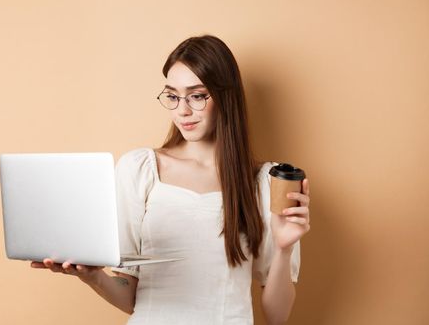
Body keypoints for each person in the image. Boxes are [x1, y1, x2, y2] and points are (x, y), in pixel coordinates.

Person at [30, 34, 311, 324]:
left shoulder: (264, 182)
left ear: (226, 96)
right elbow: (129, 296)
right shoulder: (140, 169)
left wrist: (283, 247)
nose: (183, 110)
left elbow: (277, 316)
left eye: (197, 96)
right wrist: (94, 277)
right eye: (173, 96)